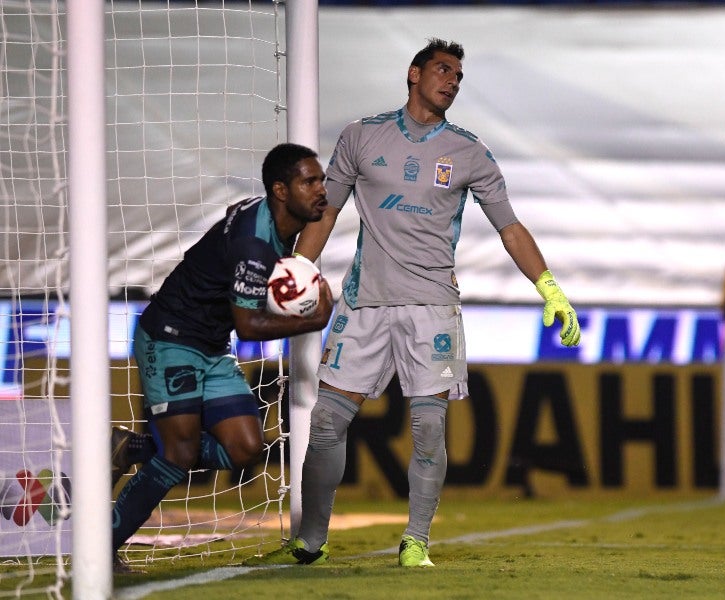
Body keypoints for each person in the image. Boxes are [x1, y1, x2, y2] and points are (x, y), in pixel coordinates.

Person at [250, 37, 580, 569]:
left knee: (429, 427)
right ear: (414, 72)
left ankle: (416, 540)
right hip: (365, 306)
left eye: (458, 76)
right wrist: (300, 270)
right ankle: (311, 539)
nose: (451, 81)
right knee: (328, 423)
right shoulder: (361, 136)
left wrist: (550, 288)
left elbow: (510, 227)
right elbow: (327, 213)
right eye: (443, 69)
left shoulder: (470, 152)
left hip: (434, 311)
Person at [110, 143, 335, 573]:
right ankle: (104, 543)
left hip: (211, 347)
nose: (320, 189)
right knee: (178, 454)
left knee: (246, 448)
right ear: (280, 190)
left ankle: (131, 447)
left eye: (321, 179)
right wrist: (312, 320)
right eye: (310, 181)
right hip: (170, 338)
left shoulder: (273, 218)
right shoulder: (255, 243)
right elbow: (249, 327)